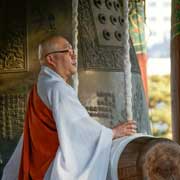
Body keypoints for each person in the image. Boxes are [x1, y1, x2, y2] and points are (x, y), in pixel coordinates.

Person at [2, 35, 137, 180]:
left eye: (73, 49)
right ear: (51, 59)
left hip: (40, 166)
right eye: (67, 50)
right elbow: (79, 129)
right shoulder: (58, 89)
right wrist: (112, 133)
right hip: (50, 168)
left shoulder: (41, 86)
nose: (74, 54)